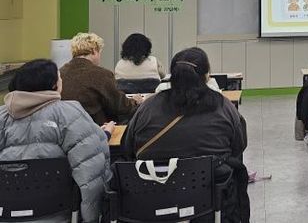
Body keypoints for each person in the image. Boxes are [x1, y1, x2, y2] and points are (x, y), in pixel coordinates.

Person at [123, 47, 249, 221]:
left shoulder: (148, 107)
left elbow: (128, 148)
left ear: (171, 75)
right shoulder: (224, 107)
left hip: (150, 204)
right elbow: (238, 146)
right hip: (209, 206)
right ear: (206, 76)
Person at [0, 59, 112, 223]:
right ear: (53, 85)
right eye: (59, 77)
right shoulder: (70, 113)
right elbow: (91, 172)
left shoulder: (2, 117)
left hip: (6, 214)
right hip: (59, 213)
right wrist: (91, 217)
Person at [60, 32, 142, 124]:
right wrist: (135, 101)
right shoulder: (101, 74)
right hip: (94, 127)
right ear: (94, 51)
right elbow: (120, 106)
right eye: (100, 52)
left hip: (64, 126)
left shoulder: (60, 73)